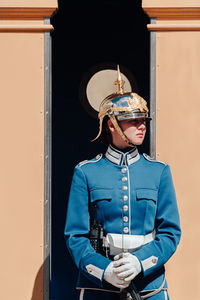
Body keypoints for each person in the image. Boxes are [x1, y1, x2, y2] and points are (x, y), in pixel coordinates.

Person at [64, 66, 181, 300]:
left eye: (143, 120)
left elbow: (170, 232)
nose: (141, 126)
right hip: (99, 286)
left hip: (150, 285)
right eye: (133, 120)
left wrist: (140, 263)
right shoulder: (86, 172)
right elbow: (75, 236)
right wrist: (103, 270)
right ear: (111, 124)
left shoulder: (159, 171)